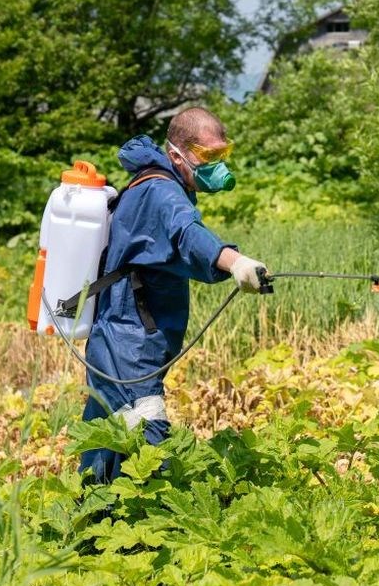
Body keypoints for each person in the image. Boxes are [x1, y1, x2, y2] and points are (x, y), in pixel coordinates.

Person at [78, 107, 267, 484]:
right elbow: (187, 234)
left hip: (121, 335)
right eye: (209, 156)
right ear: (178, 151)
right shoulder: (162, 192)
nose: (217, 165)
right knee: (147, 447)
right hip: (129, 341)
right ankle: (146, 532)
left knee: (106, 438)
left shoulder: (157, 184)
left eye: (223, 155)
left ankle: (91, 524)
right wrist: (235, 262)